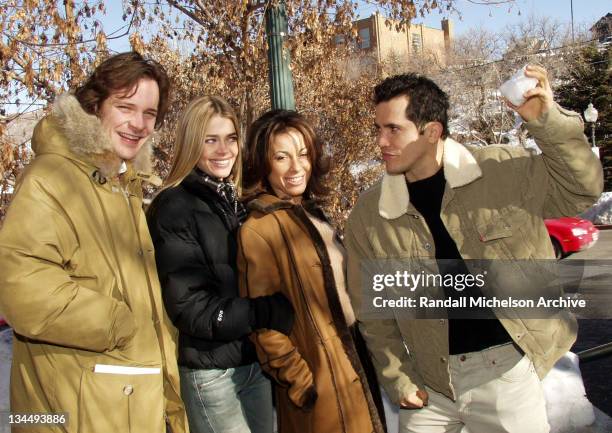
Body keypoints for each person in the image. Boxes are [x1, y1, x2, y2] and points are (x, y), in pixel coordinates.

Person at [344, 66, 603, 433]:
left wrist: (546, 121)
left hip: (506, 375)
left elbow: (583, 189)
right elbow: (372, 310)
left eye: (393, 130)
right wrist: (397, 377)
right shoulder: (370, 214)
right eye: (378, 130)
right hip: (429, 385)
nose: (381, 142)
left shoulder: (503, 170)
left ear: (431, 131)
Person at [0, 52, 188, 433]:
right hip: (73, 412)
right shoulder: (53, 176)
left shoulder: (123, 184)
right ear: (94, 106)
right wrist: (120, 322)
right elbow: (21, 287)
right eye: (125, 107)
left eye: (150, 113)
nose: (139, 124)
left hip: (123, 403)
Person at [147, 96, 294, 433]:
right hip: (212, 374)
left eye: (230, 138)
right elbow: (189, 306)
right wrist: (262, 312)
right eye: (210, 140)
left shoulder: (236, 200)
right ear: (190, 144)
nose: (223, 150)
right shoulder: (175, 206)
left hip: (252, 363)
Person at [237, 109, 386, 433]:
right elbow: (262, 323)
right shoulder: (259, 228)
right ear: (263, 164)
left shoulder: (313, 215)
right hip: (322, 389)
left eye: (303, 154)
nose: (296, 167)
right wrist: (302, 384)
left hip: (354, 369)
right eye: (281, 157)